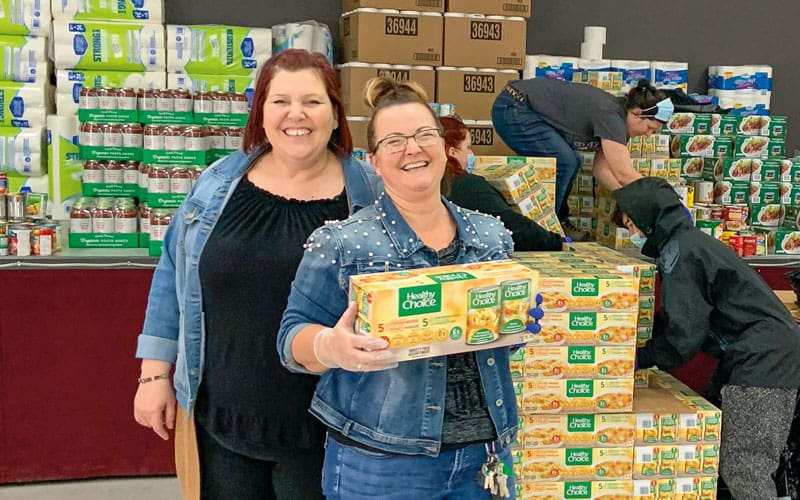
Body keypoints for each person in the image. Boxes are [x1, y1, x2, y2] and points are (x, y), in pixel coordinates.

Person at [133, 49, 381, 500]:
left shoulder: (370, 197)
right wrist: (153, 376)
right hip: (222, 426)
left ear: (334, 113)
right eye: (280, 101)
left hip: (331, 432)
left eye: (312, 101)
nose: (296, 115)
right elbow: (173, 276)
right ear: (261, 113)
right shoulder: (216, 184)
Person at [277, 77, 520, 499]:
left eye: (425, 134)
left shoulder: (489, 236)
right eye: (394, 141)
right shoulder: (342, 242)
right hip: (380, 464)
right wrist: (331, 348)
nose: (413, 149)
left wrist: (515, 322)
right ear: (373, 160)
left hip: (484, 457)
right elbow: (290, 338)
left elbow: (492, 344)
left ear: (444, 146)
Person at [612, 176, 800, 499]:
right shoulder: (688, 243)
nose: (630, 233)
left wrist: (640, 357)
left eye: (631, 224)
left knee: (745, 466)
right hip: (759, 353)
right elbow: (690, 312)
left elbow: (684, 335)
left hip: (764, 361)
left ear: (648, 217)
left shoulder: (680, 252)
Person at [491, 78, 674, 241]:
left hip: (518, 104)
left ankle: (556, 220)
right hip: (515, 105)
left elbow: (601, 170)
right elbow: (623, 172)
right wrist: (661, 197)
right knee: (564, 161)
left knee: (572, 161)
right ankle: (546, 226)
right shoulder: (611, 116)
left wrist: (627, 198)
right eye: (650, 127)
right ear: (636, 113)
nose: (649, 135)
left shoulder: (617, 120)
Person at [439, 115, 564, 251]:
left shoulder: (428, 184)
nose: (472, 153)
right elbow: (512, 225)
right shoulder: (467, 186)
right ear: (452, 152)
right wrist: (555, 241)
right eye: (468, 147)